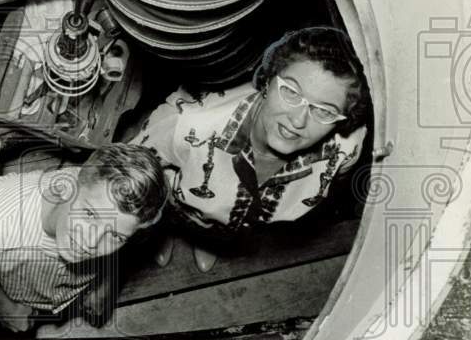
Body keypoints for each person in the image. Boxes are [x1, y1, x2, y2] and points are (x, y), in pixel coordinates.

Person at [131, 25, 370, 272]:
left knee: (220, 230)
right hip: (177, 206)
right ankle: (163, 232)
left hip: (234, 226)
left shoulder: (347, 146)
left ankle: (208, 241)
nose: (298, 121)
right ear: (267, 82)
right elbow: (133, 169)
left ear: (345, 118)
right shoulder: (187, 123)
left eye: (325, 110)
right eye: (290, 91)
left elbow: (338, 180)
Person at [0, 143, 167, 332]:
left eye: (116, 236)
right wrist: (4, 307)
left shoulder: (97, 194)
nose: (91, 244)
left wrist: (106, 282)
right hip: (14, 294)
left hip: (67, 292)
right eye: (90, 214)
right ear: (66, 187)